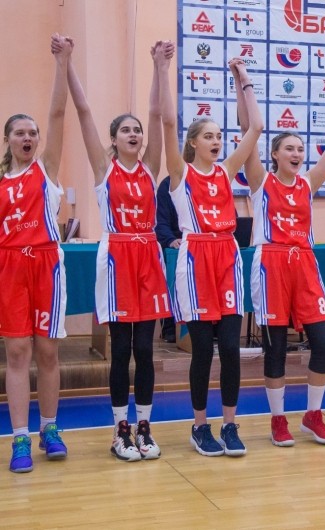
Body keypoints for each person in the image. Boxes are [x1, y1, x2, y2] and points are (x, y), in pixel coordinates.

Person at [67, 40, 173, 461]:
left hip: (147, 255)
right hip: (116, 259)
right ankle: (119, 430)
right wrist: (66, 63)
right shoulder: (103, 168)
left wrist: (160, 67)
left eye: (137, 130)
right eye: (126, 130)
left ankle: (144, 426)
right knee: (122, 350)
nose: (134, 134)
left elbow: (157, 114)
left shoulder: (150, 168)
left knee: (145, 349)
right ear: (113, 139)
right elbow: (84, 113)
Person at [240, 81, 325, 448]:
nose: (297, 153)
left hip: (304, 263)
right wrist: (243, 84)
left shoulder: (308, 183)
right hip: (272, 263)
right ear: (274, 154)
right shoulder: (261, 181)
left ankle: (312, 414)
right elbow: (248, 130)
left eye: (300, 149)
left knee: (323, 342)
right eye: (289, 148)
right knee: (276, 348)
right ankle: (278, 419)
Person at [161, 56, 263, 456]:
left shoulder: (226, 171)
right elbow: (167, 123)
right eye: (208, 136)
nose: (217, 141)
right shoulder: (180, 174)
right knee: (203, 350)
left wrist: (243, 80)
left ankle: (230, 424)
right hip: (195, 259)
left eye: (219, 135)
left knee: (231, 350)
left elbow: (255, 128)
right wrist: (162, 70)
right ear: (193, 143)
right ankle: (200, 426)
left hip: (227, 257)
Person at [0, 34, 71, 473]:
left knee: (47, 351)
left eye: (32, 133)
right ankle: (20, 438)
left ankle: (50, 428)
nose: (27, 137)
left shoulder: (47, 169)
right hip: (9, 266)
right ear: (7, 140)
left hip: (45, 263)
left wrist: (63, 63)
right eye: (19, 133)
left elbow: (58, 112)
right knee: (16, 354)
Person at [155, 175, 182, 344]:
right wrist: (171, 240)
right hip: (174, 243)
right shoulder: (166, 185)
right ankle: (169, 328)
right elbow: (160, 223)